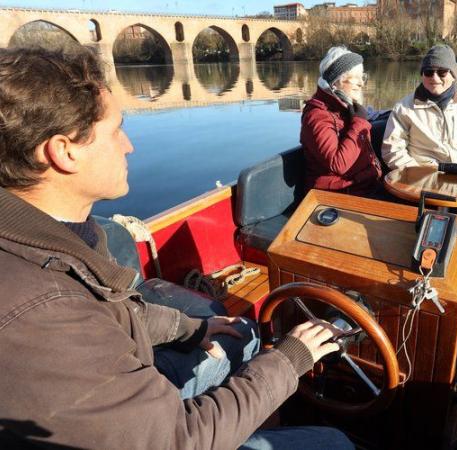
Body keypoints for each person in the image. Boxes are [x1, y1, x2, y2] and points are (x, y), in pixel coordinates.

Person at [0, 47, 353, 449]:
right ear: (64, 152)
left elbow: (113, 316)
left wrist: (191, 328)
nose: (129, 146)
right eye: (116, 130)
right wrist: (291, 359)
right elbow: (176, 439)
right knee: (333, 442)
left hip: (119, 396)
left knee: (244, 335)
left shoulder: (57, 235)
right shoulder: (42, 314)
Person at [381, 44, 457, 171]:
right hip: (419, 177)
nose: (435, 77)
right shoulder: (403, 108)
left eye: (442, 72)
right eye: (428, 72)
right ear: (422, 75)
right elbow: (392, 150)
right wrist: (419, 174)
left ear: (453, 76)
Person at [300, 46, 383, 196]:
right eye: (355, 78)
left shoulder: (346, 110)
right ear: (335, 83)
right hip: (335, 196)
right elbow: (338, 165)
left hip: (364, 187)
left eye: (362, 77)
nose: (361, 84)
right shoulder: (317, 116)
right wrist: (359, 123)